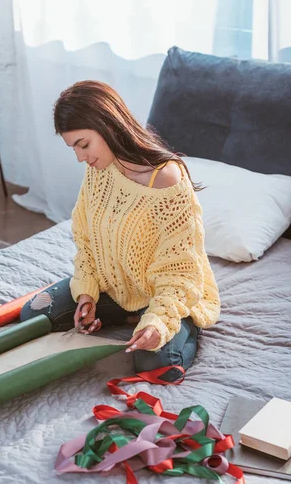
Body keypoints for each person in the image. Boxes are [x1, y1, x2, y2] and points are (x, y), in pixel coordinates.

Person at [20, 80, 220, 381]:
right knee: (33, 315)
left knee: (159, 367)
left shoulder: (167, 181)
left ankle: (183, 323)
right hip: (113, 286)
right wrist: (86, 294)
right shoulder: (98, 170)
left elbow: (180, 273)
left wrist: (158, 321)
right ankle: (126, 314)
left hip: (167, 292)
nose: (80, 157)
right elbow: (86, 240)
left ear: (108, 125)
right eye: (73, 148)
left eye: (83, 144)